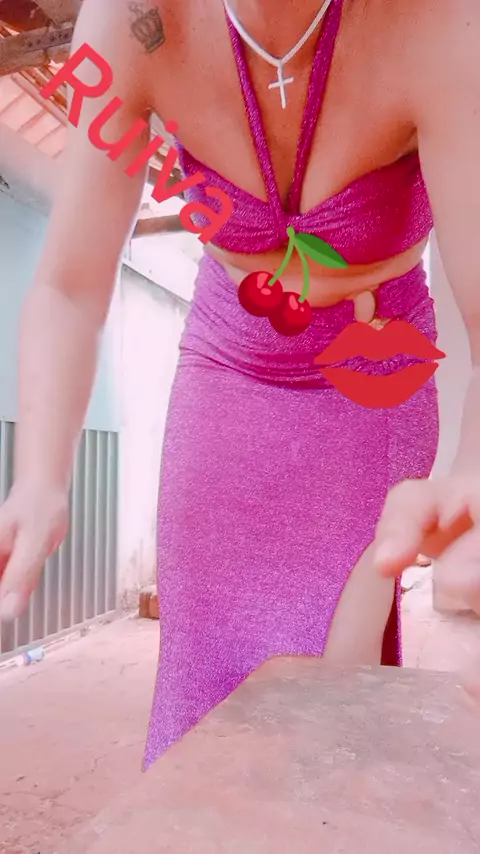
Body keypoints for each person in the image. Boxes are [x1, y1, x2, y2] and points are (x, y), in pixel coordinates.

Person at [0, 0, 479, 770]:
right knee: (204, 682)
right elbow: (69, 286)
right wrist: (39, 478)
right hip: (226, 371)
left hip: (374, 376)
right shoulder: (130, 20)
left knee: (326, 711)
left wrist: (474, 468)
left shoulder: (442, 22)